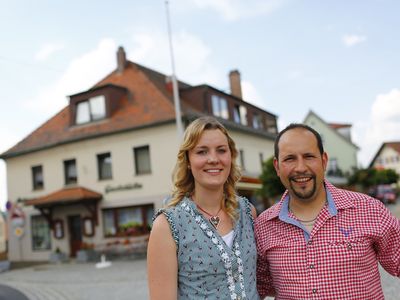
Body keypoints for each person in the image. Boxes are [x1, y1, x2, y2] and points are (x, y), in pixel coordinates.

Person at [255, 123, 400, 299]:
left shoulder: (369, 210)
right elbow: (257, 288)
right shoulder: (263, 226)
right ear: (277, 167)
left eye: (309, 156)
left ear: (324, 161)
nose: (300, 167)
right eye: (290, 158)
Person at [147, 116, 260, 300]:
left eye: (221, 150)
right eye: (202, 152)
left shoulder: (248, 212)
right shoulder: (167, 225)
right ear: (188, 161)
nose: (213, 159)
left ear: (230, 157)